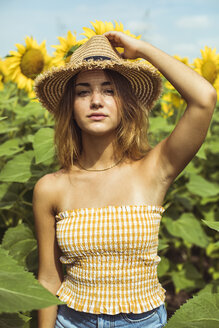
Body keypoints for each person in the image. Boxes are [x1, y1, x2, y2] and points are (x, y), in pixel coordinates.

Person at [33, 31, 217, 328]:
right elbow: (48, 277)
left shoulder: (153, 169)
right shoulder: (51, 187)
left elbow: (204, 99)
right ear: (71, 107)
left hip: (143, 322)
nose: (96, 101)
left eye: (109, 90)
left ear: (125, 103)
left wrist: (142, 49)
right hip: (72, 321)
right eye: (83, 92)